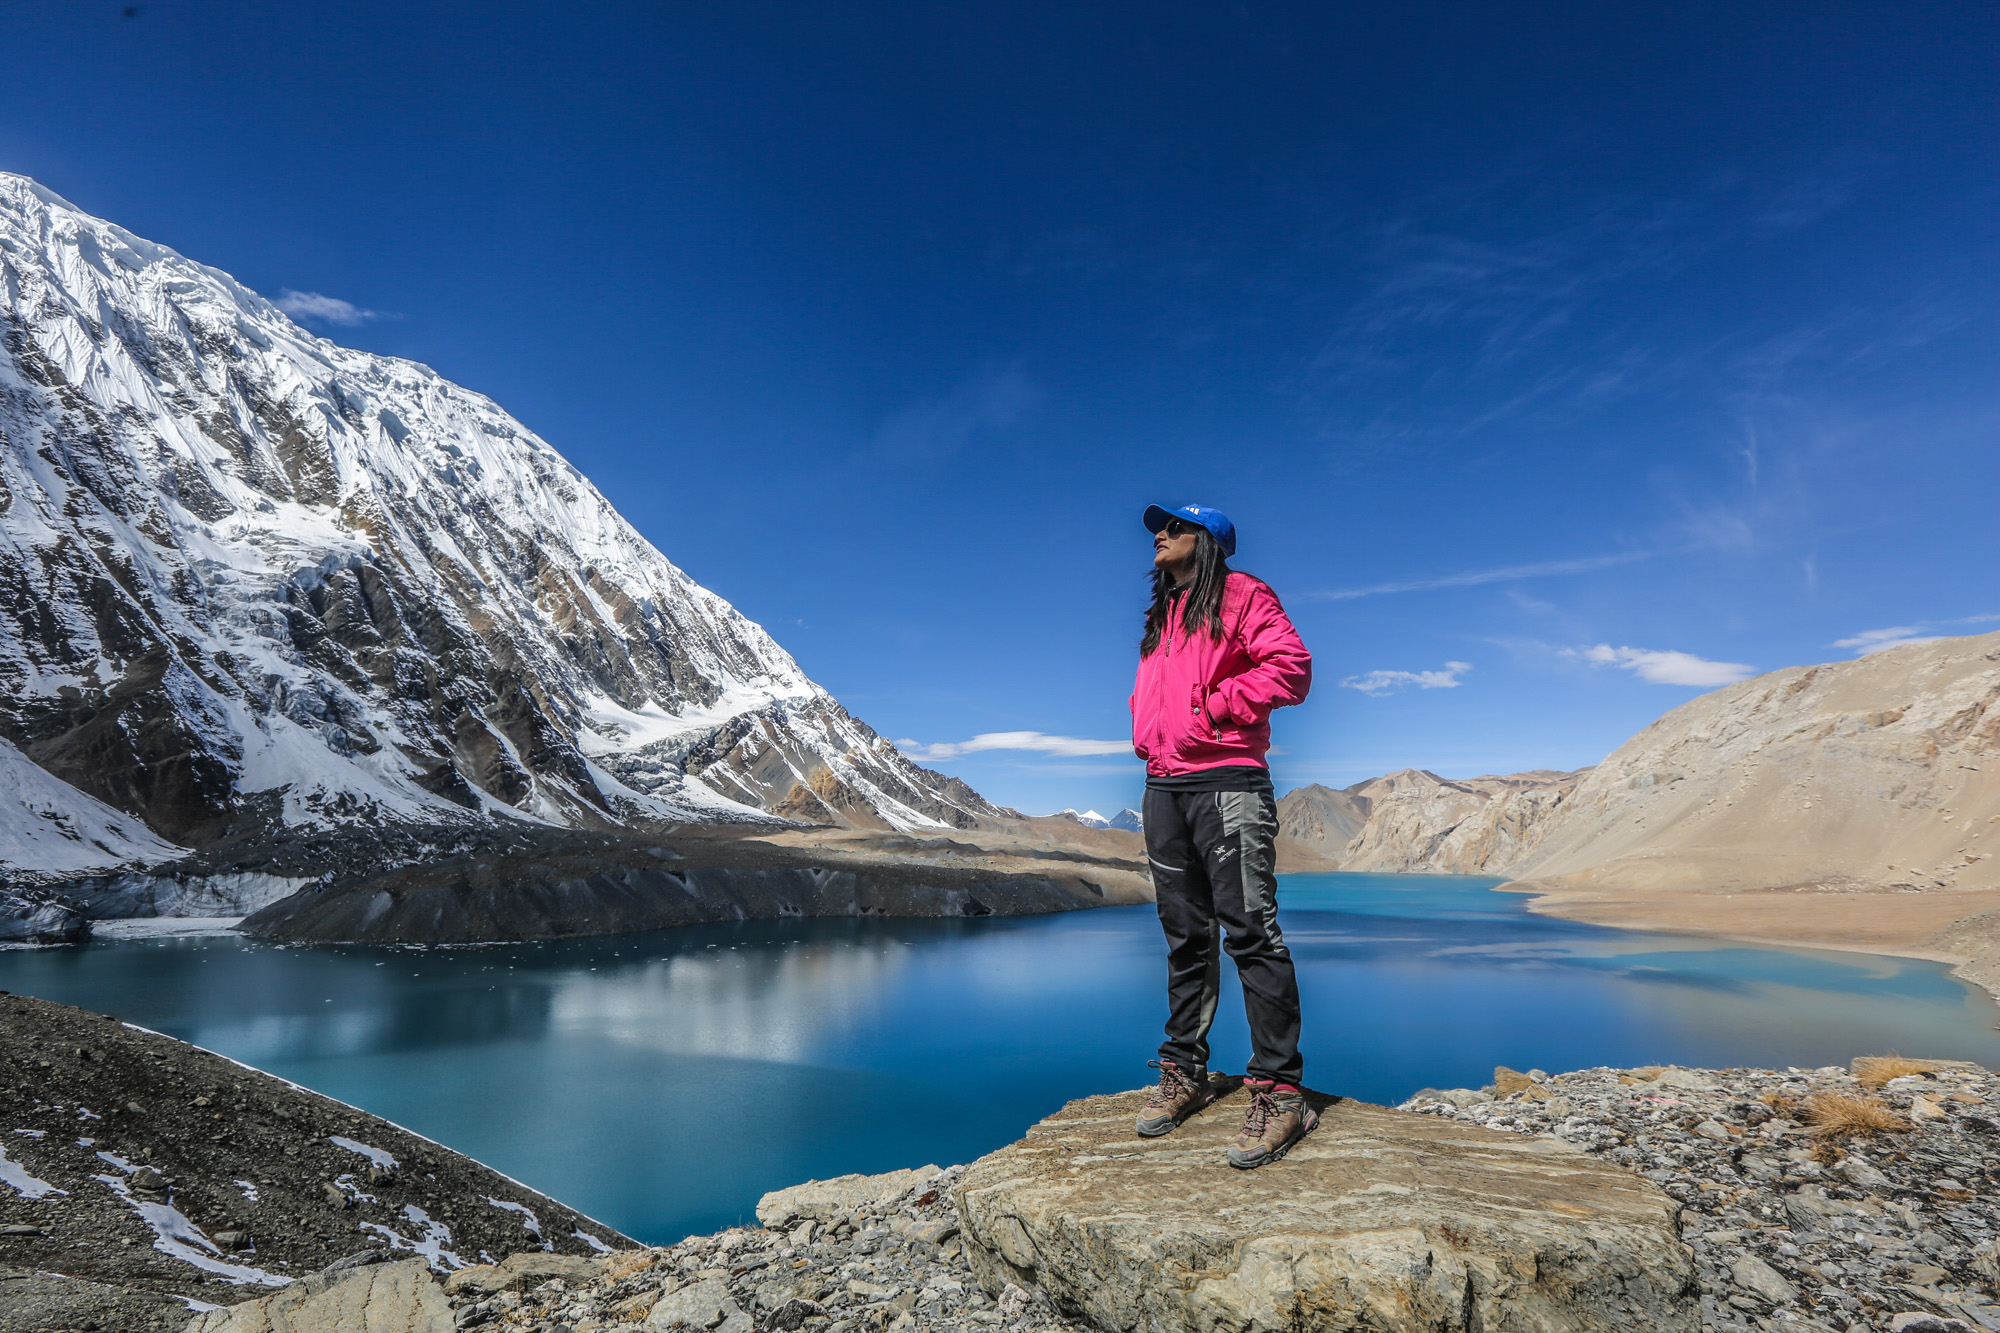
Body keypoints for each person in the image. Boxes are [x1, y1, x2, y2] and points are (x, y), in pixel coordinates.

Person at [1127, 502, 1314, 1169]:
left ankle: (1280, 1091)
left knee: (1250, 932)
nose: (1160, 533)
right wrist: (1151, 736)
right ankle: (1185, 1071)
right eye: (1158, 526)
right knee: (1186, 936)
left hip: (1228, 784)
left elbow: (1291, 668)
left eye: (1174, 526)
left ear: (1206, 540)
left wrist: (1215, 705)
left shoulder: (1243, 595)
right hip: (1164, 788)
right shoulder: (1163, 616)